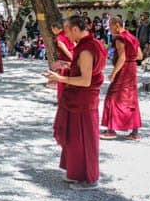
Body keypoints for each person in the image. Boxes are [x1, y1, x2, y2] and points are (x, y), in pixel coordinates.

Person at [45, 15, 107, 190]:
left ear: (74, 29)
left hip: (83, 100)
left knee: (84, 138)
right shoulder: (92, 44)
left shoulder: (87, 50)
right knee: (75, 137)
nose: (65, 34)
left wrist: (60, 78)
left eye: (66, 30)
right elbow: (80, 70)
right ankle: (75, 173)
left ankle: (88, 178)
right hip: (80, 99)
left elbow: (86, 80)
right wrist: (64, 68)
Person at [101, 17, 143, 141]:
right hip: (132, 70)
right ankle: (135, 132)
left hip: (123, 70)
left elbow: (122, 57)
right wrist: (131, 59)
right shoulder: (132, 37)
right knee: (130, 98)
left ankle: (111, 130)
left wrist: (113, 73)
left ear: (117, 25)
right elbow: (140, 56)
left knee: (112, 97)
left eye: (111, 26)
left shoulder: (120, 38)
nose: (109, 28)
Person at [50, 21, 74, 102]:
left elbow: (65, 50)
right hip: (73, 57)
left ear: (55, 28)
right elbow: (75, 44)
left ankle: (62, 100)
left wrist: (72, 59)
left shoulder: (59, 37)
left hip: (65, 60)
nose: (52, 31)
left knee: (62, 82)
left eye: (52, 29)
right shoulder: (68, 33)